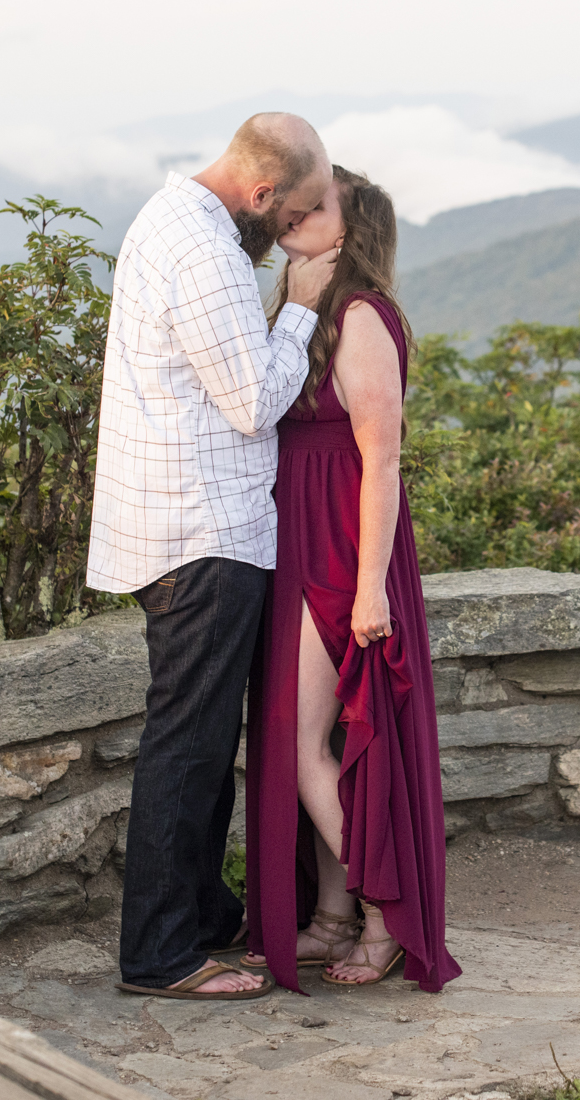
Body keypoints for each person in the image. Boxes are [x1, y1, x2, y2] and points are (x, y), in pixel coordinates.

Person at [87, 113, 338, 1001]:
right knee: (187, 746)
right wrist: (303, 305)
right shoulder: (206, 254)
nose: (293, 233)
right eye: (295, 212)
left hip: (182, 523)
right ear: (262, 194)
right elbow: (253, 400)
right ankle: (160, 955)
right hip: (201, 529)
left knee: (197, 738)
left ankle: (201, 913)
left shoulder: (173, 220)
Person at [241, 166, 461, 993]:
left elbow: (383, 460)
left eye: (317, 204)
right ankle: (332, 919)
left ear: (351, 226)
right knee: (320, 742)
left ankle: (383, 918)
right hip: (298, 537)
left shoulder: (363, 317)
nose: (296, 212)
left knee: (303, 744)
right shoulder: (312, 314)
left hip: (338, 547)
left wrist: (370, 589)